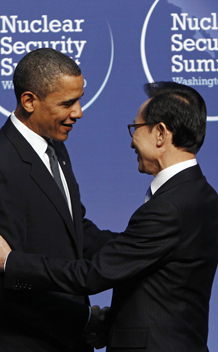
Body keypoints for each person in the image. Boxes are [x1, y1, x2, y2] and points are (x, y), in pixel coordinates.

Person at [1, 81, 218, 352]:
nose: (131, 141)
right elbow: (138, 260)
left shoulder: (171, 207)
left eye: (135, 129)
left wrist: (11, 262)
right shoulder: (200, 194)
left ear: (160, 134)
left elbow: (93, 275)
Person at [0, 48, 115, 352]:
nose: (78, 112)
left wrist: (139, 247)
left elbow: (74, 228)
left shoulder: (55, 147)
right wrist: (82, 319)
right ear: (29, 101)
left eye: (78, 99)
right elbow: (8, 279)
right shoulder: (3, 163)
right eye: (67, 103)